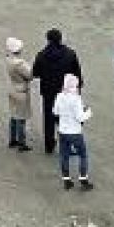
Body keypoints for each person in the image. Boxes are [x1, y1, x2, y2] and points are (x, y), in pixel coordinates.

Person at [32, 28, 83, 160]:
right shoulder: (70, 54)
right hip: (66, 92)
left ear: (48, 40)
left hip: (48, 91)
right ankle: (67, 144)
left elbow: (35, 73)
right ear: (60, 39)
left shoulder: (41, 55)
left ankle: (49, 145)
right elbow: (77, 73)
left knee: (49, 118)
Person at [53, 77, 94, 191]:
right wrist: (88, 112)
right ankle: (83, 179)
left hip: (62, 131)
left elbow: (55, 111)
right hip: (75, 132)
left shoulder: (60, 96)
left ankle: (67, 180)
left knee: (64, 155)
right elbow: (80, 117)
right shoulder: (76, 99)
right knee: (83, 155)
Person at [4, 37, 34, 151]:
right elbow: (30, 75)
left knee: (13, 115)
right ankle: (22, 143)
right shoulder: (19, 63)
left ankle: (12, 139)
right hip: (21, 90)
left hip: (12, 88)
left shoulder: (8, 59)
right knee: (21, 118)